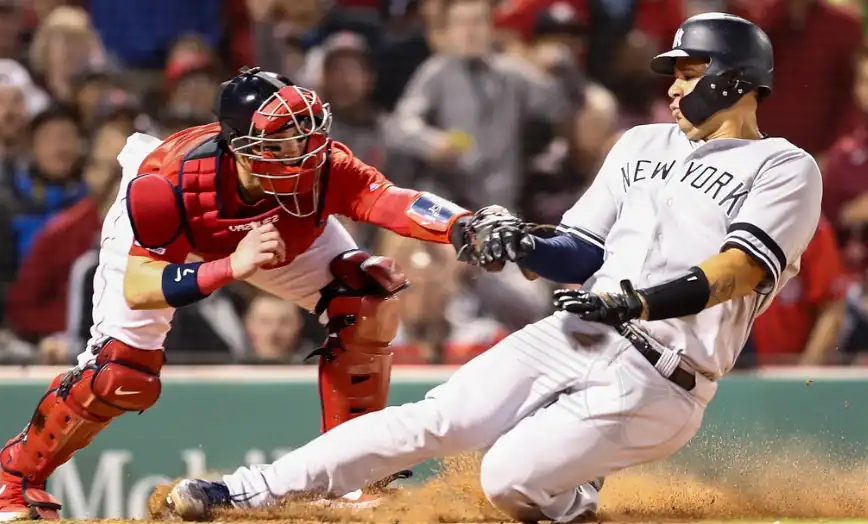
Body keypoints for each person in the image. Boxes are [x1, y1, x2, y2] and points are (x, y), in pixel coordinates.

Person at [161, 13, 822, 523]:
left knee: (506, 479)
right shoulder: (642, 142)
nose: (674, 86)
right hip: (581, 330)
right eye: (673, 73)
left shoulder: (785, 167)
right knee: (432, 419)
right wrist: (520, 243)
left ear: (734, 78)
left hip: (665, 375)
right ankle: (244, 492)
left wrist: (635, 303)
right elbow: (582, 249)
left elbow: (739, 270)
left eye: (688, 71)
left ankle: (572, 494)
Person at [0, 67, 478, 521]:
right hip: (187, 236)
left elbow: (388, 199)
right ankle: (16, 475)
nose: (302, 150)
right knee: (123, 373)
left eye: (303, 133)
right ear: (241, 146)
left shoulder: (323, 165)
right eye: (281, 140)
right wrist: (229, 267)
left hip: (279, 231)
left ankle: (354, 474)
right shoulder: (167, 181)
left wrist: (465, 225)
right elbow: (140, 288)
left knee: (364, 296)